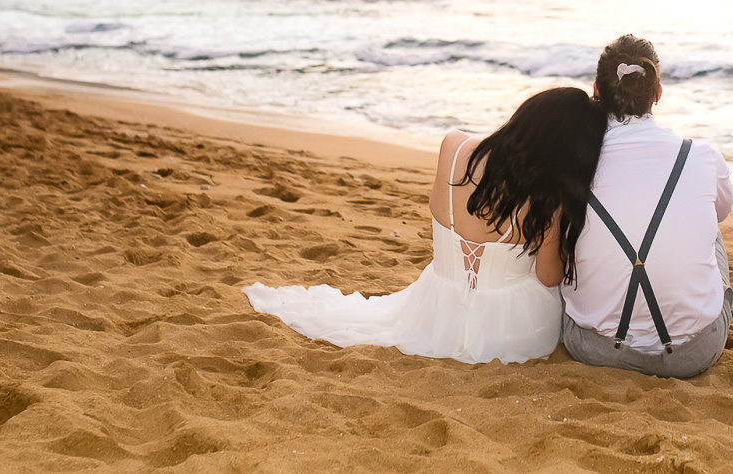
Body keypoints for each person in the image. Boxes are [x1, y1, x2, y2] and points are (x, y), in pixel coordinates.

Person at [244, 86, 606, 364]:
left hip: (434, 311)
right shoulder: (547, 201)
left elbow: (440, 211)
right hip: (509, 331)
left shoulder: (454, 147)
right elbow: (548, 278)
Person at [561, 34, 733, 379]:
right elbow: (722, 211)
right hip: (693, 354)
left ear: (596, 90)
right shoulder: (700, 156)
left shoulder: (573, 161)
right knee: (710, 227)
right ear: (658, 93)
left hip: (595, 348)